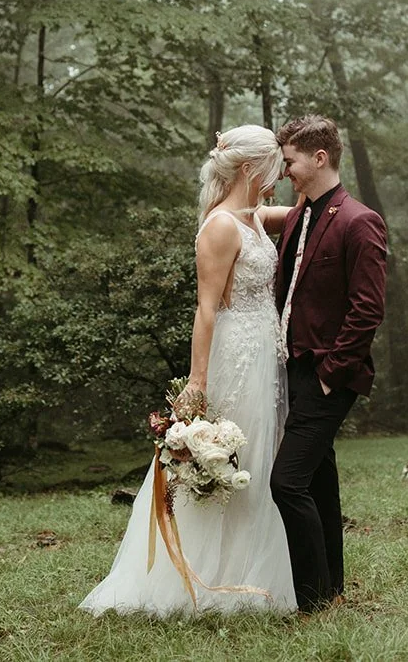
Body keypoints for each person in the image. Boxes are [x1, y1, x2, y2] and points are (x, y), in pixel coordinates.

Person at [79, 125, 297, 616]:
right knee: (233, 459)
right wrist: (197, 382)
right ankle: (203, 581)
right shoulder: (220, 226)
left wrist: (330, 202)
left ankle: (249, 572)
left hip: (266, 355)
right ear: (248, 168)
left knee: (260, 461)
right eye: (274, 165)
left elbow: (301, 215)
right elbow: (205, 310)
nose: (281, 172)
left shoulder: (253, 217)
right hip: (235, 354)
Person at [259, 114, 387, 613]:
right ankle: (331, 591)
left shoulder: (360, 221)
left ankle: (312, 603)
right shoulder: (299, 216)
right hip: (294, 368)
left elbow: (368, 309)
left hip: (330, 374)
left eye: (289, 160)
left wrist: (332, 376)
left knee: (285, 482)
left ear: (319, 158)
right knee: (317, 477)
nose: (285, 169)